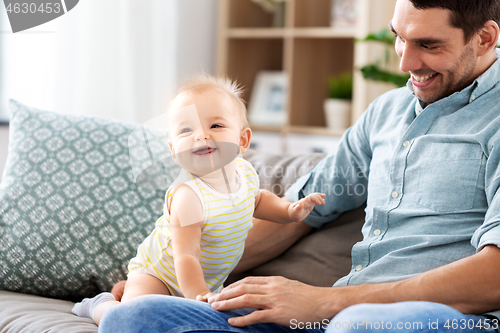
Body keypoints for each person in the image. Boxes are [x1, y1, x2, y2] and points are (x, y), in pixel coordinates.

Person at [98, 0, 500, 332]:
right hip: (333, 317)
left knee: (357, 326)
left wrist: (324, 300)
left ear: (485, 38)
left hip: (451, 320)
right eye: (399, 38)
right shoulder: (386, 113)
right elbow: (303, 211)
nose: (404, 62)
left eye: (428, 45)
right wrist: (164, 281)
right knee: (137, 317)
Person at [71, 75, 325, 325]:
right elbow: (186, 257)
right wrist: (200, 297)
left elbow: (258, 201)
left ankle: (125, 291)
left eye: (215, 126)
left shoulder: (245, 172)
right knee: (131, 318)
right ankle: (100, 305)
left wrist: (289, 211)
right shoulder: (188, 197)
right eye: (186, 130)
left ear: (243, 140)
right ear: (173, 150)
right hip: (160, 276)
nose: (201, 136)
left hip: (206, 279)